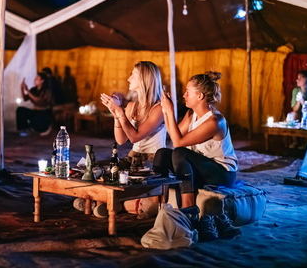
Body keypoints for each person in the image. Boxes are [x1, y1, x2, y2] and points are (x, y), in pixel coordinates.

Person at [153, 71, 241, 240]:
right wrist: (165, 110)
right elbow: (174, 136)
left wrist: (170, 112)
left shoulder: (215, 122)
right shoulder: (191, 115)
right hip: (201, 168)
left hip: (222, 172)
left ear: (200, 96)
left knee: (179, 153)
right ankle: (160, 208)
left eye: (188, 91)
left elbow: (179, 144)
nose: (184, 95)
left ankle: (189, 213)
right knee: (163, 154)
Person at [74, 61, 166, 218]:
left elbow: (134, 136)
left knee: (133, 178)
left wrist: (120, 112)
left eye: (133, 75)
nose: (129, 78)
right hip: (133, 156)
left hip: (153, 160)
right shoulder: (132, 106)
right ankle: (109, 202)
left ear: (144, 79)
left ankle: (105, 202)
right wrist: (116, 114)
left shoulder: (159, 108)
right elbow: (122, 139)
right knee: (98, 169)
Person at [16, 72, 53, 136]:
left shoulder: (46, 91)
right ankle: (24, 130)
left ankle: (46, 127)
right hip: (36, 111)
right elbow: (25, 98)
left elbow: (39, 100)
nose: (34, 79)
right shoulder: (34, 89)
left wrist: (27, 91)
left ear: (42, 81)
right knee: (20, 110)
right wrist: (22, 89)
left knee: (36, 123)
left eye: (37, 78)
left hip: (44, 113)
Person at [289, 70, 307, 148]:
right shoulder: (296, 91)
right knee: (292, 115)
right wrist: (298, 102)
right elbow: (294, 109)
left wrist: (303, 101)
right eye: (297, 78)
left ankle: (306, 142)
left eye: (300, 78)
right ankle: (295, 141)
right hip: (300, 113)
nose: (297, 80)